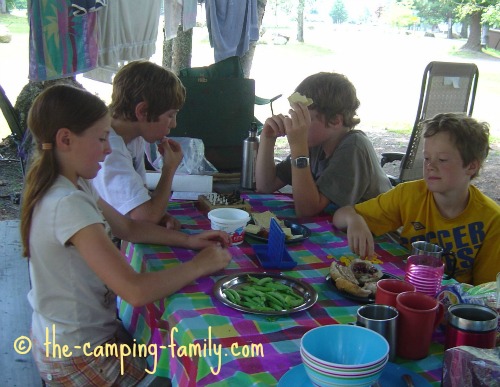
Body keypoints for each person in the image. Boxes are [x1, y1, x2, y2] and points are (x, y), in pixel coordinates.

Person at [20, 84, 232, 385]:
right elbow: (135, 291)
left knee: (163, 352)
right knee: (188, 372)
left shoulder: (72, 184)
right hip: (78, 356)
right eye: (102, 138)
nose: (108, 149)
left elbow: (128, 228)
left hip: (70, 339)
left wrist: (189, 241)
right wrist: (201, 265)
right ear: (66, 139)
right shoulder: (67, 203)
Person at [332, 113, 500, 286]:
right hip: (407, 286)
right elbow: (340, 216)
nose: (430, 166)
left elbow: (488, 291)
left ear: (472, 166)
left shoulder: (492, 219)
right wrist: (354, 219)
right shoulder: (409, 194)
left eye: (442, 160)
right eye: (427, 158)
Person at [255, 72, 392, 217]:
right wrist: (267, 139)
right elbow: (265, 186)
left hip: (379, 233)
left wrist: (298, 147)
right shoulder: (316, 143)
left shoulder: (354, 147)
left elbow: (307, 211)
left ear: (335, 121)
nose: (297, 125)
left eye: (304, 118)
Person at [92, 60, 185, 229]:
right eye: (170, 116)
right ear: (142, 111)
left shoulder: (133, 136)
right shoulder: (109, 150)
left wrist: (160, 214)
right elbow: (144, 218)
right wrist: (169, 169)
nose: (173, 124)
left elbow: (143, 200)